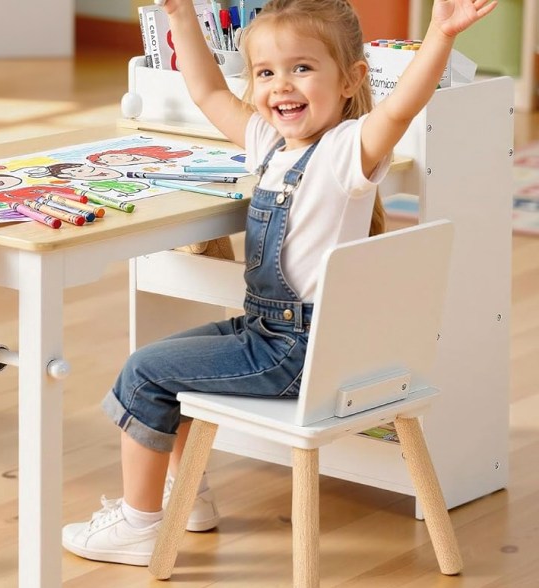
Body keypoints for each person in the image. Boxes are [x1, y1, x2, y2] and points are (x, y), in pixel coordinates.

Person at [62, 0, 496, 567]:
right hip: (271, 334)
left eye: (302, 68)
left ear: (349, 80)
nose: (281, 85)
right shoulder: (269, 144)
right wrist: (181, 15)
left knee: (144, 373)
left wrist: (439, 34)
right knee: (168, 357)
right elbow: (209, 93)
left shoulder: (348, 153)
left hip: (296, 350)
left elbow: (402, 108)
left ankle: (141, 524)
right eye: (265, 72)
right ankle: (184, 499)